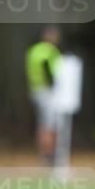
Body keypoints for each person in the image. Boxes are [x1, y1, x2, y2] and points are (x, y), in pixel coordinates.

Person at [26, 26, 62, 165]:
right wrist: (51, 81)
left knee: (42, 123)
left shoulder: (33, 51)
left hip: (36, 90)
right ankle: (49, 154)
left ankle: (43, 152)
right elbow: (47, 68)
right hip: (48, 91)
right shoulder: (50, 51)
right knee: (49, 124)